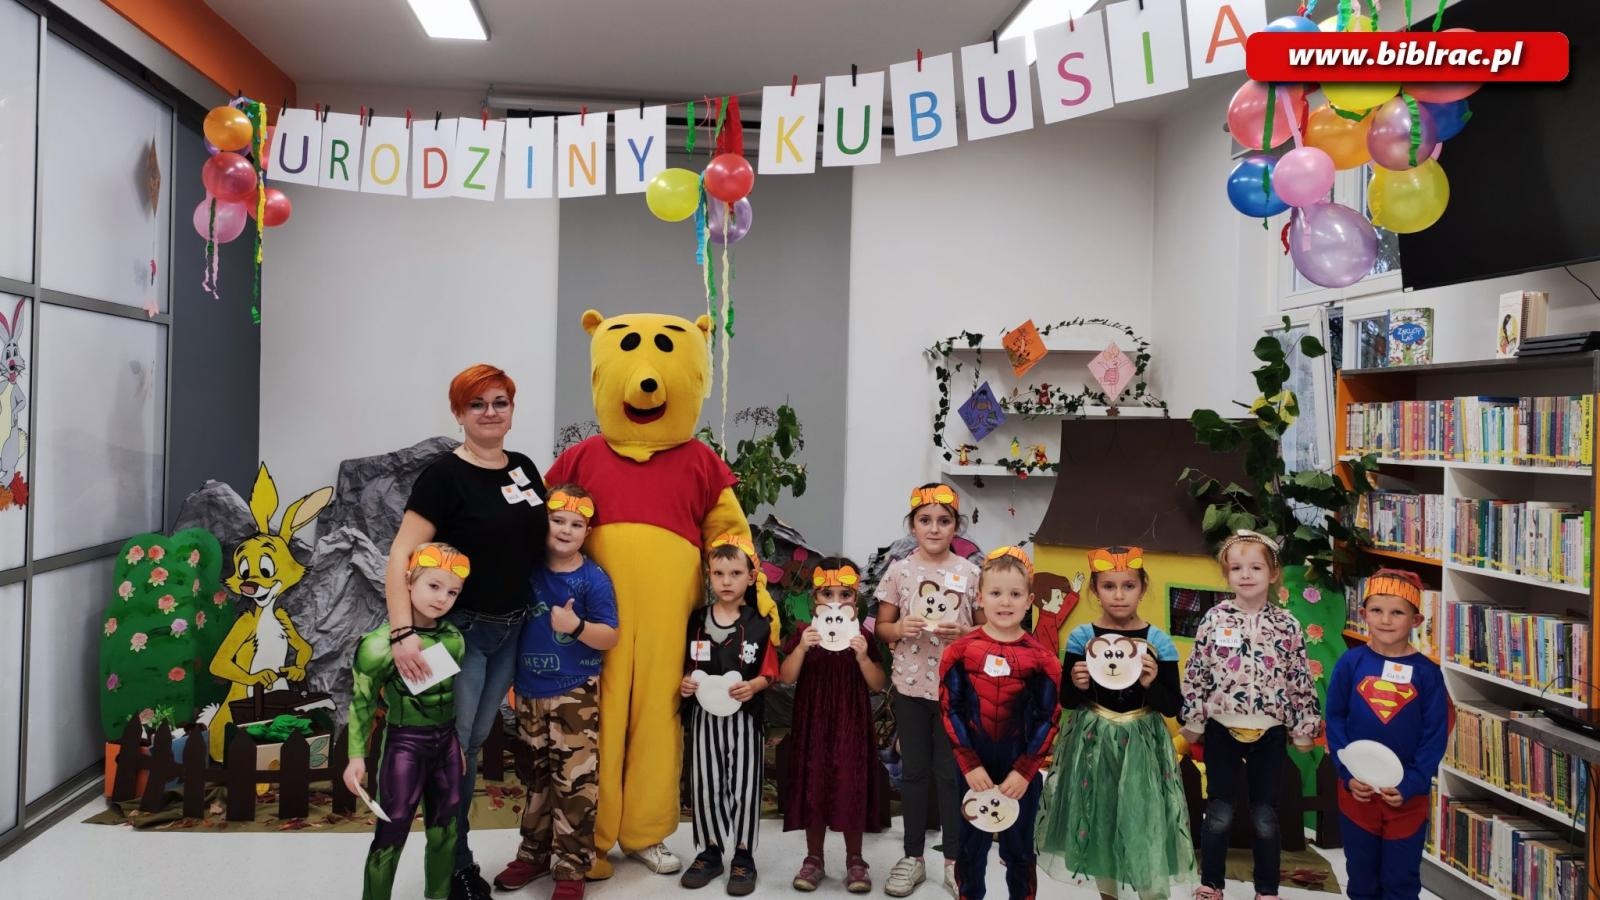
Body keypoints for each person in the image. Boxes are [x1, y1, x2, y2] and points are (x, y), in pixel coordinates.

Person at [384, 363, 549, 900]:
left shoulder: (523, 468)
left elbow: (540, 546)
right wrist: (402, 632)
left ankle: (451, 855)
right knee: (452, 750)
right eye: (477, 404)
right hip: (461, 634)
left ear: (512, 410)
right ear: (458, 413)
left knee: (472, 744)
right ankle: (454, 867)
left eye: (500, 402)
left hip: (512, 629)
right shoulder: (443, 476)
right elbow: (400, 555)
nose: (490, 412)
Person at [1036, 546, 1195, 899]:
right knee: (1100, 818)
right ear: (1095, 590)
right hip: (1094, 741)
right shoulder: (1082, 638)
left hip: (1142, 744)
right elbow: (1068, 701)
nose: (1119, 595)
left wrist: (1152, 683)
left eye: (1128, 586)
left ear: (1142, 588)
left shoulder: (1158, 641)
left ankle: (1151, 893)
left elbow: (1173, 706)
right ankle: (1108, 893)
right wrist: (1076, 683)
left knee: (1144, 818)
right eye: (1109, 586)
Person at [494, 486, 619, 900]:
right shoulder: (526, 568)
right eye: (557, 520)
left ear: (587, 531)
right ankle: (533, 855)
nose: (566, 530)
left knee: (574, 784)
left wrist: (576, 627)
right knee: (535, 779)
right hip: (528, 691)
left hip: (574, 693)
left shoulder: (593, 578)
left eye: (576, 524)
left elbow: (610, 636)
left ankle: (571, 867)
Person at [1181, 530, 1321, 900]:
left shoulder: (1287, 624)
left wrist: (1303, 728)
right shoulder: (1214, 619)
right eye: (1237, 568)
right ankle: (1211, 883)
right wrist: (1194, 721)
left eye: (1256, 567)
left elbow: (1299, 678)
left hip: (1270, 732)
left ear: (1273, 574)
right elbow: (1197, 672)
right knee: (1219, 812)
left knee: (1265, 815)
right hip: (1222, 729)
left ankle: (1267, 889)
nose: (1246, 575)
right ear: (1226, 574)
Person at [345, 543, 471, 900]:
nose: (442, 598)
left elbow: (450, 699)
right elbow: (362, 703)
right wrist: (356, 757)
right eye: (434, 585)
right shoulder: (378, 646)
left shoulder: (454, 639)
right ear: (408, 582)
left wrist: (457, 744)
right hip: (405, 746)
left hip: (446, 744)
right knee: (391, 833)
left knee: (445, 831)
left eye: (452, 592)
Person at [874, 483, 981, 897]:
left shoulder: (971, 573)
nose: (934, 528)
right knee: (915, 772)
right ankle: (912, 856)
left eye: (943, 520)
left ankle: (954, 861)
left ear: (956, 526)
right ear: (912, 526)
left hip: (955, 690)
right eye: (925, 520)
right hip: (910, 686)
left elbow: (988, 632)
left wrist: (965, 633)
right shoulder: (899, 571)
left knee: (950, 774)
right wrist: (900, 627)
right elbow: (882, 628)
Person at [940, 546, 1061, 900]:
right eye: (995, 593)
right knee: (969, 849)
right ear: (980, 597)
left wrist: (1025, 771)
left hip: (1020, 772)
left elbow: (1049, 717)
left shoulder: (1043, 660)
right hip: (972, 769)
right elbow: (950, 708)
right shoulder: (959, 652)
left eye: (1015, 594)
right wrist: (969, 763)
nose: (1005, 602)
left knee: (1020, 852)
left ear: (1030, 601)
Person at [1326, 569, 1451, 900]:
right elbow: (1335, 718)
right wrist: (1347, 773)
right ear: (1363, 613)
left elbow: (1435, 734)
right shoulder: (1350, 663)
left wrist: (1412, 783)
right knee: (1362, 877)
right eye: (1377, 610)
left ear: (1416, 620)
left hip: (1406, 800)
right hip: (1358, 795)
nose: (1385, 620)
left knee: (1400, 880)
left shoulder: (1427, 674)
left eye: (1397, 612)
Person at [678, 534, 779, 896]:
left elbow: (770, 671)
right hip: (705, 721)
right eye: (718, 573)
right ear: (709, 575)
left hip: (745, 720)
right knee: (706, 784)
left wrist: (755, 685)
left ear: (751, 577)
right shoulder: (696, 621)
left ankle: (743, 854)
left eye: (735, 573)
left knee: (744, 786)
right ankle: (710, 851)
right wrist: (685, 682)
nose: (726, 581)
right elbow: (685, 665)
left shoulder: (759, 624)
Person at [780, 557, 888, 894]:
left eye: (845, 594)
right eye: (827, 594)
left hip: (850, 722)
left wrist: (863, 658)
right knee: (813, 783)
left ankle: (856, 859)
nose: (836, 601)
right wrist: (801, 648)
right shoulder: (805, 632)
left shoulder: (862, 635)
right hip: (813, 722)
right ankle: (814, 858)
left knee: (850, 784)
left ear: (856, 599)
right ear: (815, 598)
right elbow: (786, 677)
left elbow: (878, 683)